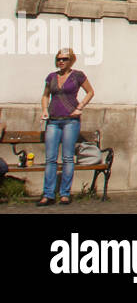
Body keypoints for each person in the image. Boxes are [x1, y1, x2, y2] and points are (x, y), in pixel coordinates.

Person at [38, 48, 94, 206]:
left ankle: (64, 193)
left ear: (71, 61)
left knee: (68, 157)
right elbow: (45, 95)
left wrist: (80, 107)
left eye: (64, 59)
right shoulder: (52, 77)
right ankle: (48, 194)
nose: (61, 61)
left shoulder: (77, 75)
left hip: (71, 120)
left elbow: (90, 92)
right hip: (53, 121)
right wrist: (44, 110)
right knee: (50, 158)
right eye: (59, 59)